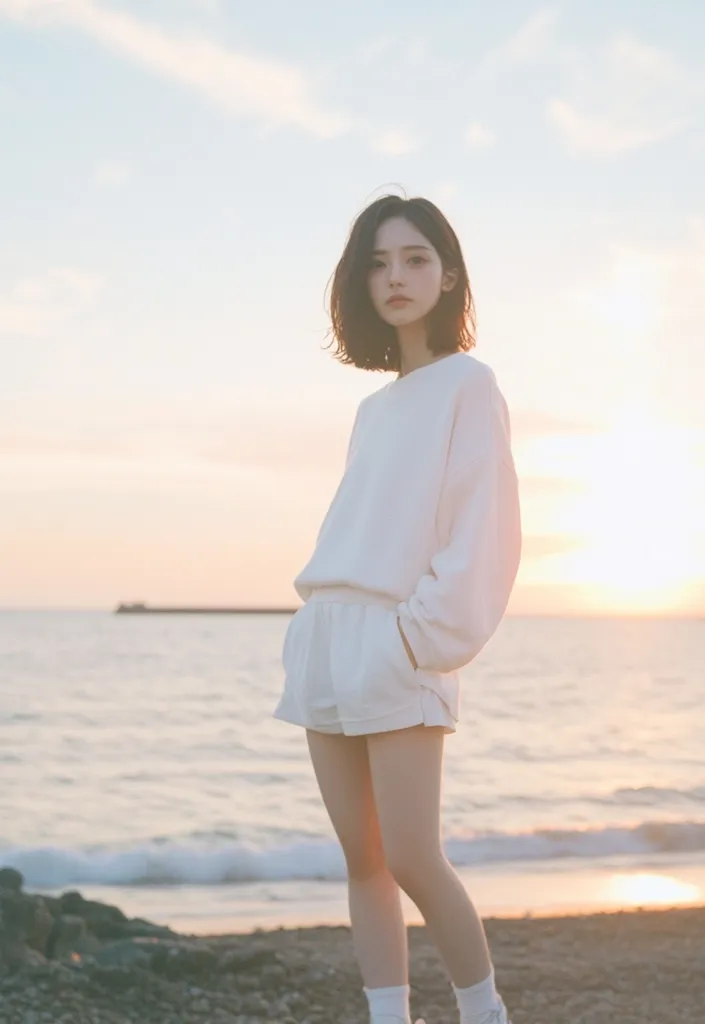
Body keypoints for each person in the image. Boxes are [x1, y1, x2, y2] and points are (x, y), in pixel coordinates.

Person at [273, 193, 522, 1024]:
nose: (396, 277)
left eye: (416, 259)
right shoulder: (373, 408)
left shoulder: (470, 385)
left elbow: (481, 527)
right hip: (328, 637)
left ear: (448, 276)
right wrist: (314, 632)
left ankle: (484, 1014)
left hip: (397, 642)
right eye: (378, 263)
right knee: (364, 861)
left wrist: (417, 641)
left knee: (415, 857)